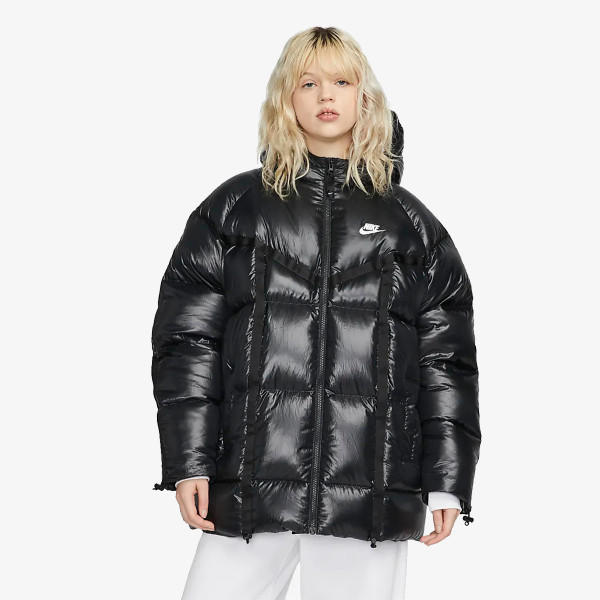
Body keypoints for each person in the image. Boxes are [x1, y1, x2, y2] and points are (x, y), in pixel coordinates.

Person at [151, 26, 481, 600]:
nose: (326, 95)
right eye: (308, 82)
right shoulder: (235, 210)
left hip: (371, 484)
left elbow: (446, 359)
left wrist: (447, 481)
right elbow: (188, 342)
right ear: (286, 97)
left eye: (341, 81)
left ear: (364, 96)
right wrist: (190, 462)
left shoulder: (410, 226)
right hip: (250, 477)